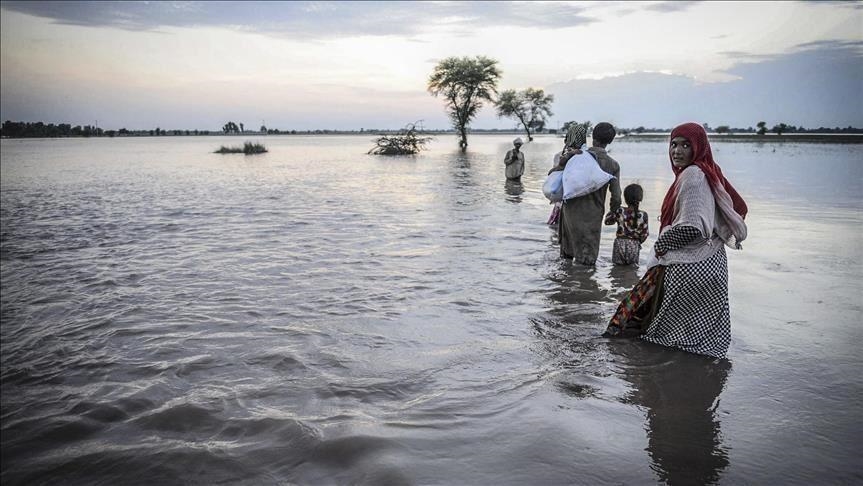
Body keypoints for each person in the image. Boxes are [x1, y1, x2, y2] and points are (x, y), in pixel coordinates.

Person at [603, 122, 748, 359]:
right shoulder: (705, 172)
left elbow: (693, 227)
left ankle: (664, 381)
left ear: (698, 147)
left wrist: (661, 245)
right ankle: (693, 380)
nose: (677, 151)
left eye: (685, 145)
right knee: (697, 336)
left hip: (690, 266)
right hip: (709, 264)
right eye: (673, 144)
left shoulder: (693, 176)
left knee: (662, 333)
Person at [555, 122, 622, 265]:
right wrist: (613, 212)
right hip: (592, 217)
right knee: (586, 263)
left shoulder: (575, 156)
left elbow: (555, 178)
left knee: (566, 259)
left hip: (569, 215)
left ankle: (562, 287)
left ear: (592, 136)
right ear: (610, 141)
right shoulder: (612, 165)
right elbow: (616, 196)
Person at [604, 183, 649, 265]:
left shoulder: (620, 210)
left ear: (625, 198)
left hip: (619, 243)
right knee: (632, 271)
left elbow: (607, 222)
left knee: (616, 269)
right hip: (634, 244)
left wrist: (613, 208)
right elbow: (645, 234)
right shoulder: (643, 215)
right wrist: (637, 243)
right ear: (640, 199)